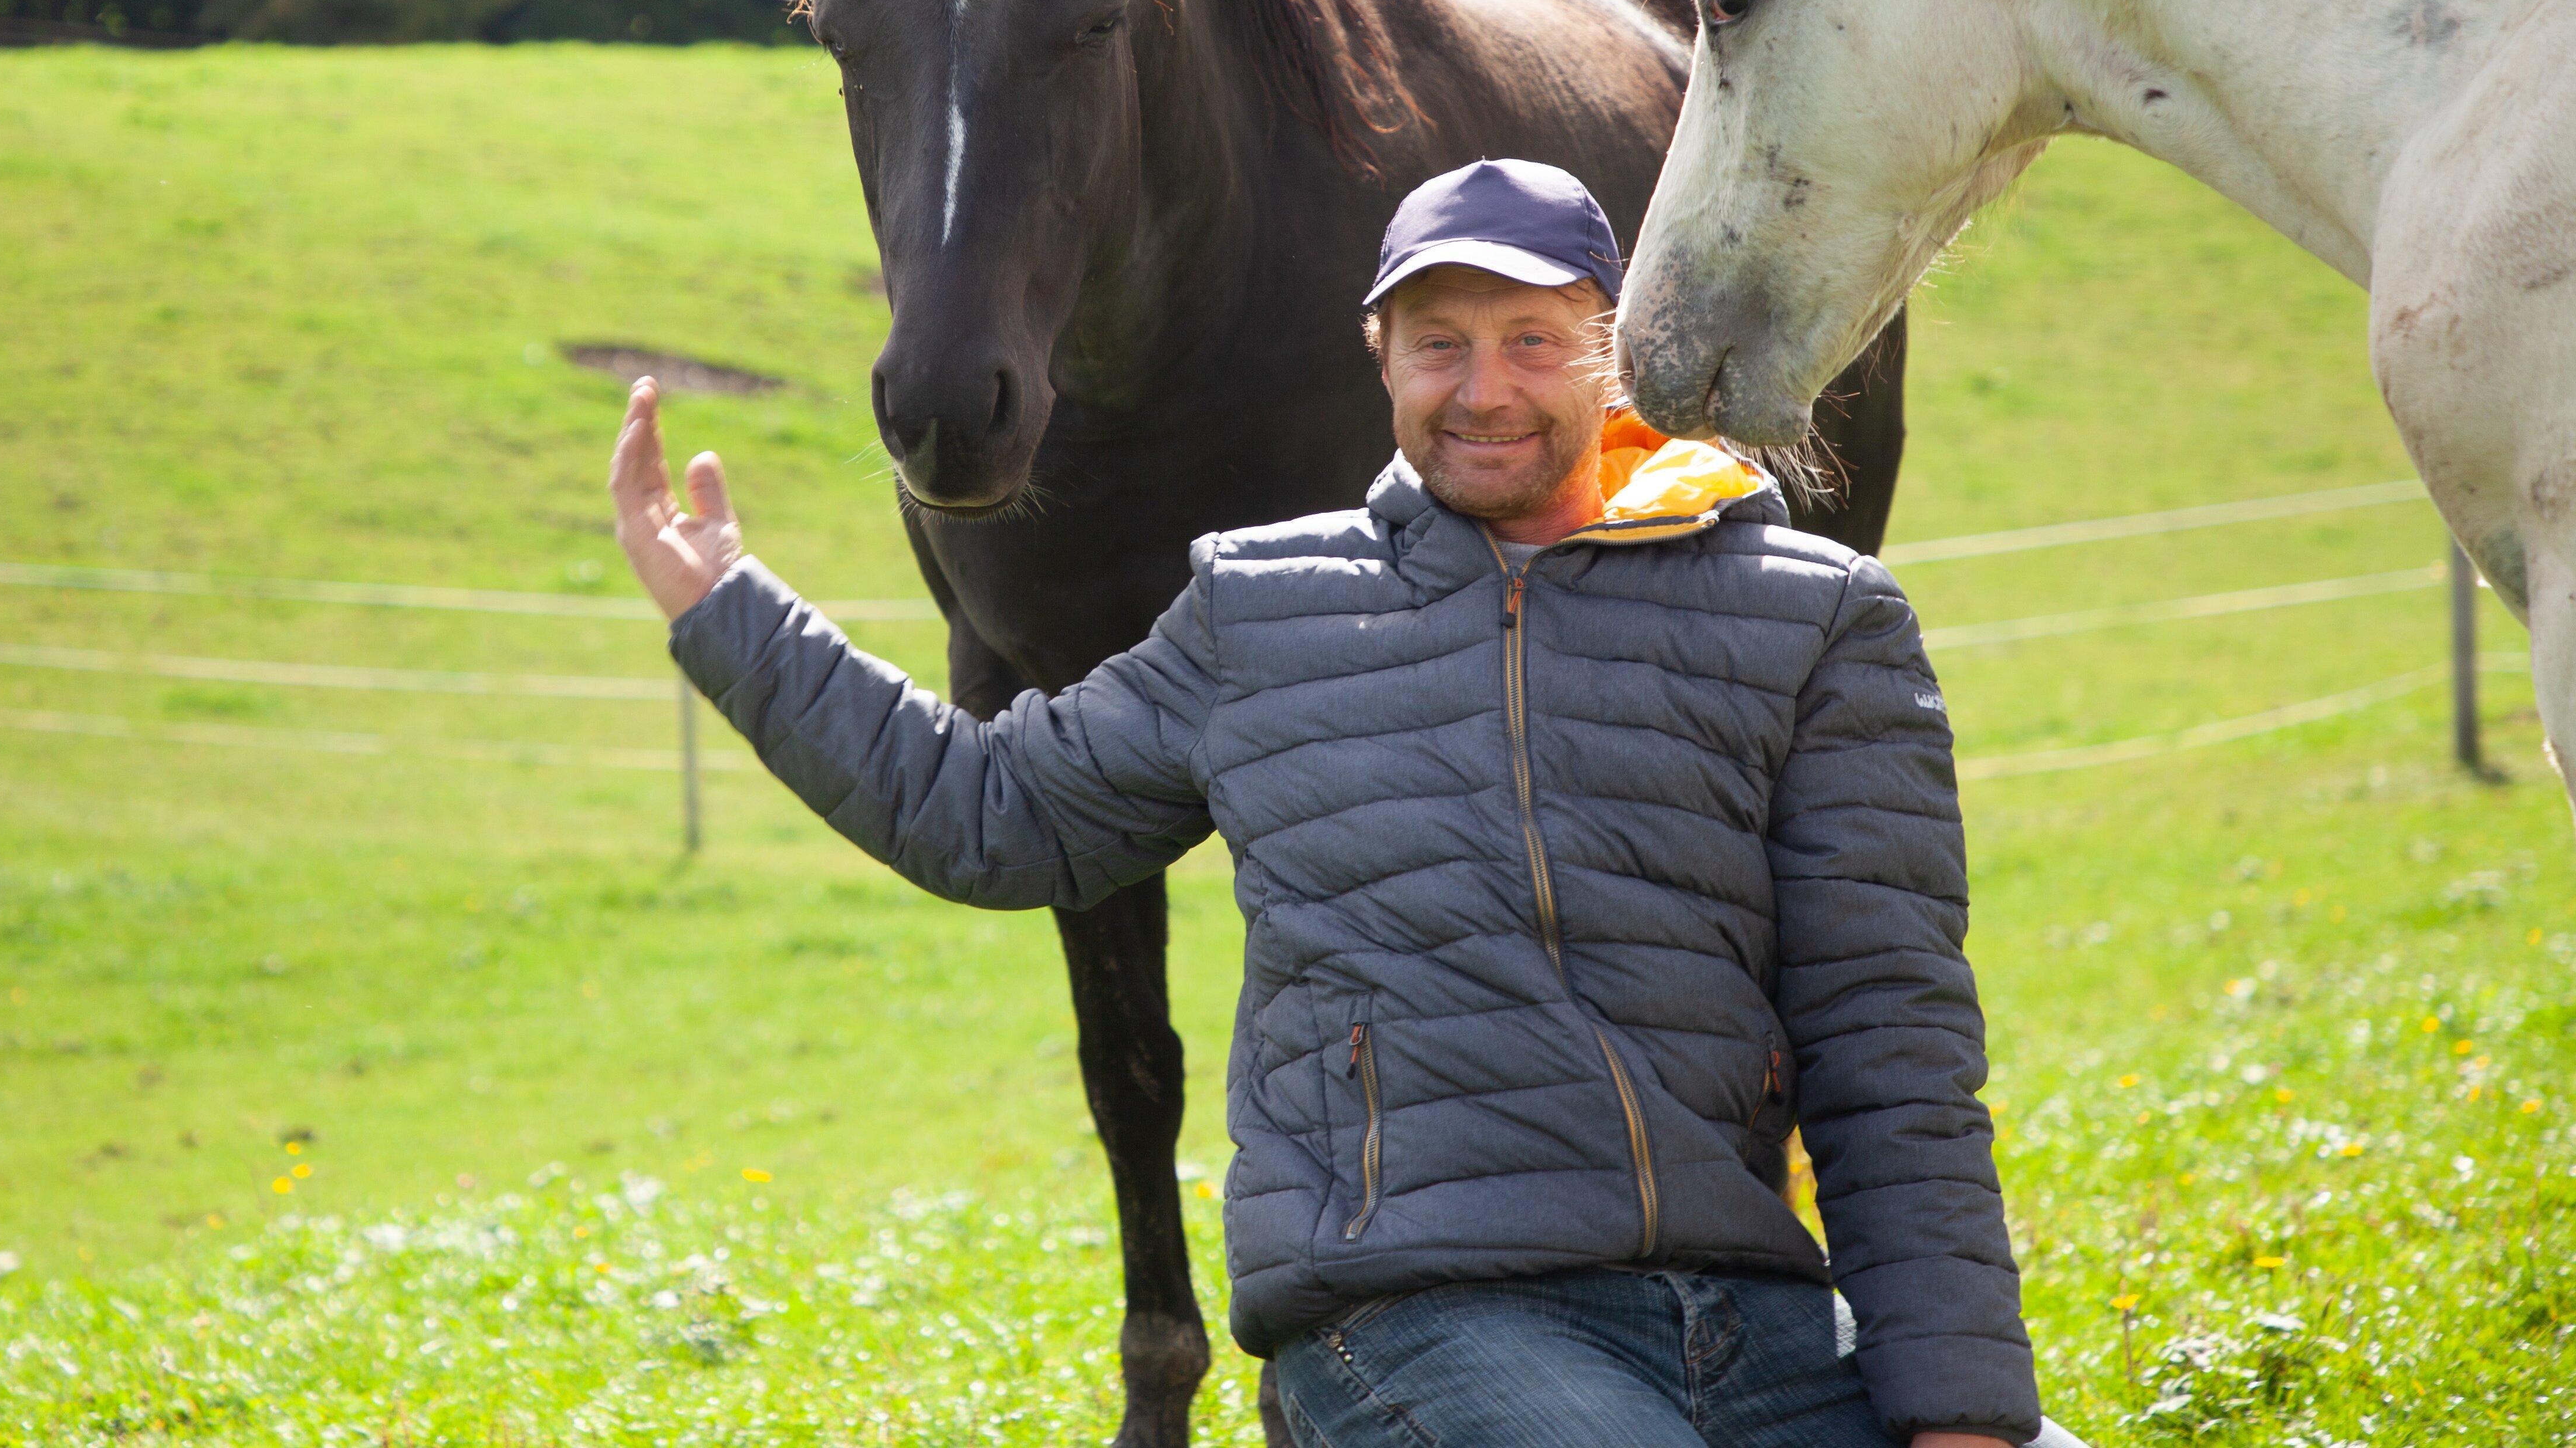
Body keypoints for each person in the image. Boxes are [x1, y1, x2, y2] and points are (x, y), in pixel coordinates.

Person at [608, 158, 2046, 1447]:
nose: (1483, 389)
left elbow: (1893, 1042)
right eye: (1439, 343)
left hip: (1761, 1319)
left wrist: (1964, 1411)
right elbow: (989, 809)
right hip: (1419, 1310)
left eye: (1531, 339)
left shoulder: (1812, 618)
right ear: (1383, 360)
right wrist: (728, 611)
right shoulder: (1262, 608)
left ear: (1611, 347)